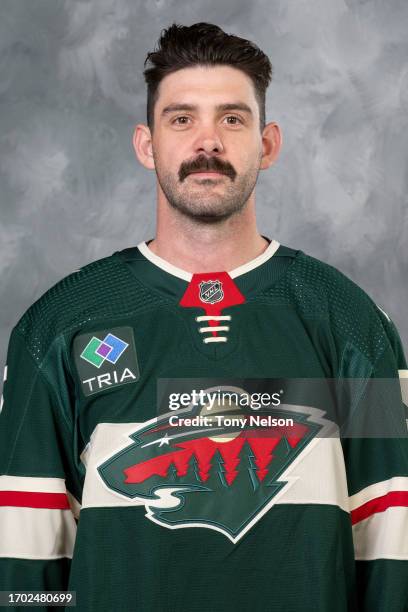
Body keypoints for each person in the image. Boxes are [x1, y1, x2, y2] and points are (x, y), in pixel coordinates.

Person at [0, 21, 407, 612]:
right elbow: (22, 557)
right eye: (182, 118)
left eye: (232, 119)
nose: (208, 141)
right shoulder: (59, 327)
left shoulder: (351, 322)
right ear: (147, 145)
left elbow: (392, 533)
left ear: (267, 144)